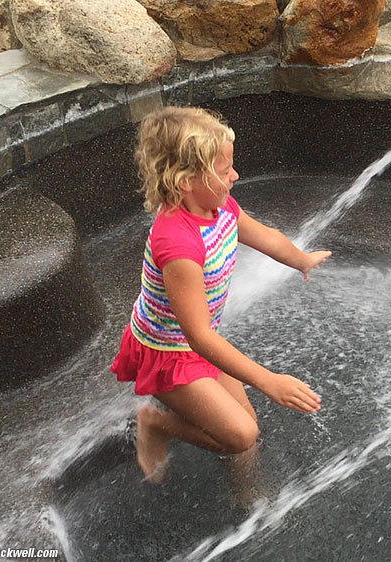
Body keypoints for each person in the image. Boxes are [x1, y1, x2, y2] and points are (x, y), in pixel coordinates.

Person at [110, 106, 330, 486]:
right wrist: (268, 380)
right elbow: (199, 336)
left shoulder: (219, 207)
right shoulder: (177, 243)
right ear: (185, 181)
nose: (235, 176)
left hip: (195, 342)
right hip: (168, 353)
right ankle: (156, 422)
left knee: (246, 429)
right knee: (241, 435)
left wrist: (302, 260)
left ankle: (246, 493)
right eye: (225, 170)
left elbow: (266, 235)